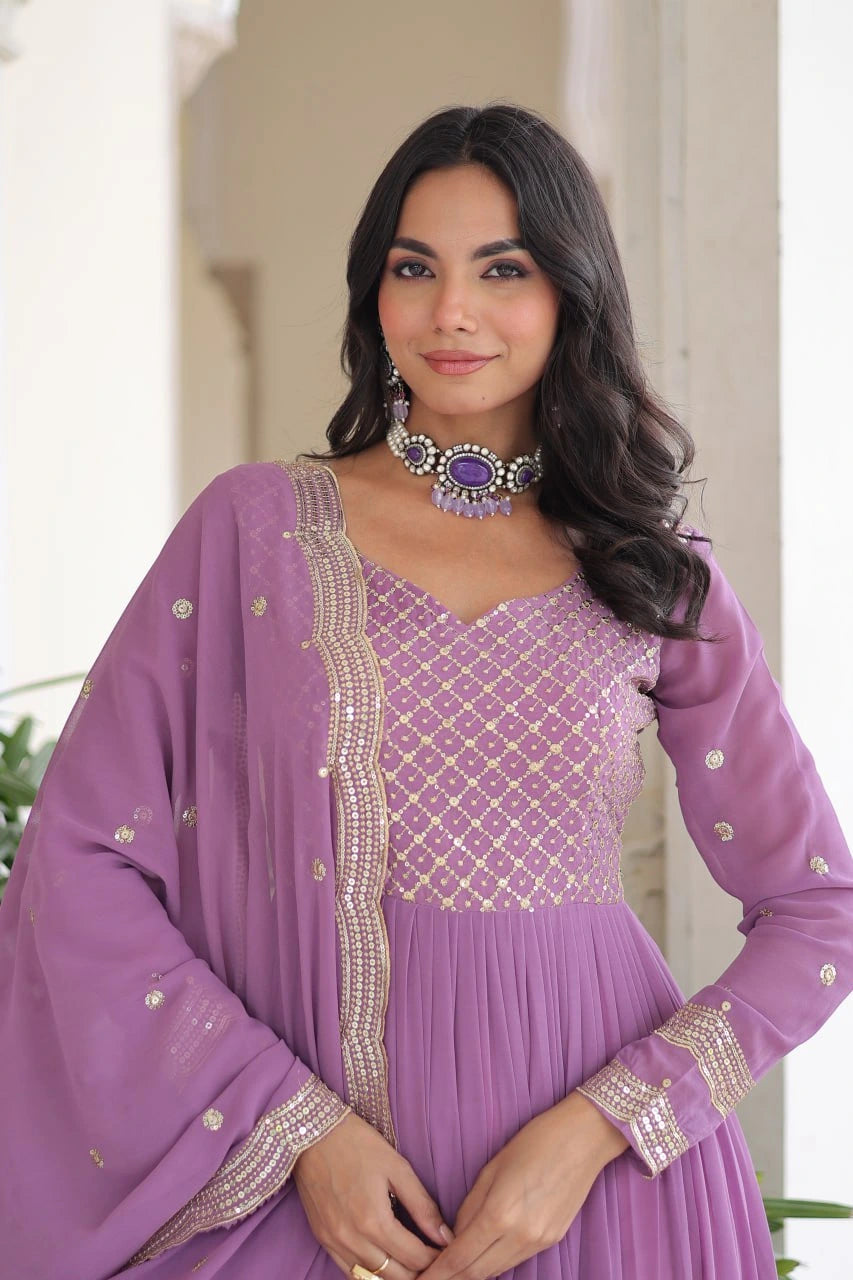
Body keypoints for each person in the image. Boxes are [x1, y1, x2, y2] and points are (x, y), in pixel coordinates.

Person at [1, 101, 851, 1280]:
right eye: (415, 267)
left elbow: (819, 906)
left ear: (571, 291)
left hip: (600, 1194)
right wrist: (295, 1126)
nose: (451, 310)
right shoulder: (256, 532)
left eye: (502, 268)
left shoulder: (650, 566)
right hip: (324, 1185)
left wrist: (606, 1123)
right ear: (374, 292)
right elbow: (82, 856)